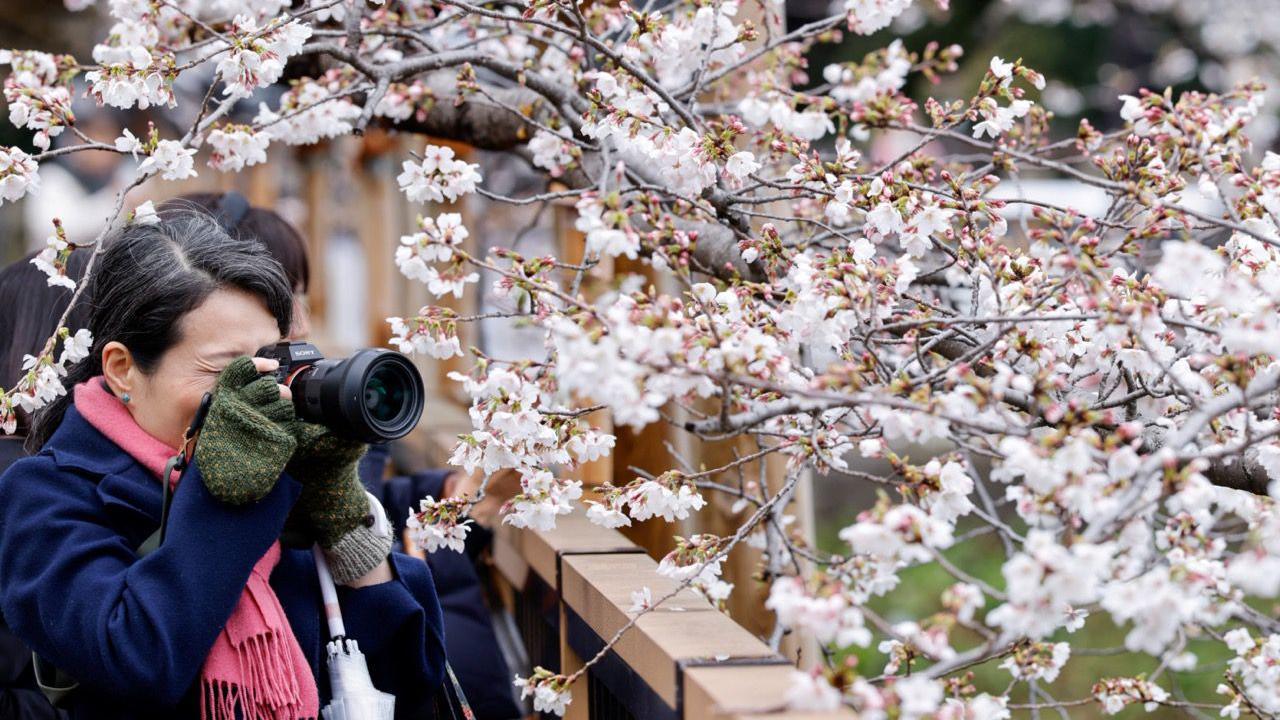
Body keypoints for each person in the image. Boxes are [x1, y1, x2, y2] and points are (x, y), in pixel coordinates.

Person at [0, 212, 446, 718]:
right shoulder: (47, 493)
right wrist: (227, 489)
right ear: (123, 368)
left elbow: (411, 679)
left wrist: (345, 520)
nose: (256, 393)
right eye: (224, 369)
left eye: (266, 365)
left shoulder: (282, 473)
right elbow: (137, 661)